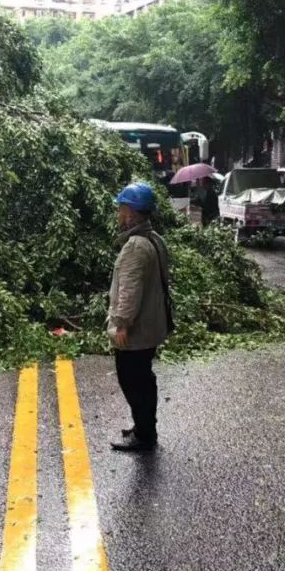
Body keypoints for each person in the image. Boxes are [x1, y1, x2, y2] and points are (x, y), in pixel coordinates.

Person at [107, 182, 172, 452]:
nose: (119, 214)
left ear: (132, 213)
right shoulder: (155, 239)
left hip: (137, 330)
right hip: (152, 325)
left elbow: (129, 290)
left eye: (121, 208)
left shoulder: (135, 246)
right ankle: (144, 427)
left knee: (134, 381)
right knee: (143, 378)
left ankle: (145, 436)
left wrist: (121, 323)